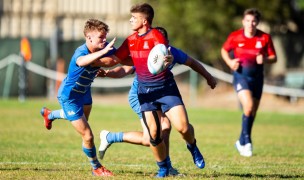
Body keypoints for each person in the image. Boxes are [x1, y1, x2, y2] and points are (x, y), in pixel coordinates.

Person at [99, 3, 217, 177]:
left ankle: (192, 145)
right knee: (154, 135)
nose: (130, 20)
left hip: (166, 89)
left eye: (134, 17)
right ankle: (163, 168)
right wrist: (94, 60)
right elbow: (117, 60)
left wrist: (207, 76)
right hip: (145, 92)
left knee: (183, 128)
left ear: (145, 21)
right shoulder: (130, 40)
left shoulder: (157, 36)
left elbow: (165, 54)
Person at [39, 19, 117, 176]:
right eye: (101, 37)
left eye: (105, 37)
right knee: (87, 135)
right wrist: (102, 53)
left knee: (82, 126)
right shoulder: (80, 52)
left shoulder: (104, 47)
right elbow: (82, 62)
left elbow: (118, 57)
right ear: (89, 37)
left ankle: (50, 114)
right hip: (70, 97)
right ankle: (96, 168)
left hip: (85, 94)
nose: (104, 41)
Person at [221, 8, 277, 157]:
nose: (250, 24)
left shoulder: (264, 38)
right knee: (249, 106)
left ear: (257, 23)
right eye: (248, 21)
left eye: (253, 21)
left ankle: (240, 141)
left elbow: (274, 57)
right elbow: (224, 50)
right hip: (241, 77)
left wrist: (264, 59)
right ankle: (247, 141)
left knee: (252, 112)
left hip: (257, 79)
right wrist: (230, 62)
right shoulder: (235, 37)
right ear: (243, 22)